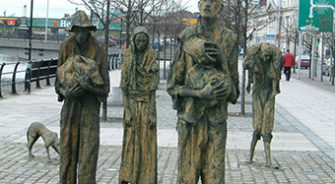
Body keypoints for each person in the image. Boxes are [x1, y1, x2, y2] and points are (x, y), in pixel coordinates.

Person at [167, 0, 239, 183]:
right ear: (199, 5)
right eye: (204, 1)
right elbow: (172, 86)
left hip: (216, 120)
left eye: (213, 1)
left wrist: (222, 61)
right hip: (190, 120)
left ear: (220, 7)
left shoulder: (229, 39)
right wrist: (200, 93)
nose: (207, 4)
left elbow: (234, 93)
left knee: (214, 178)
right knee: (187, 178)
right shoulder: (186, 37)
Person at [54, 10, 110, 184]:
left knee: (88, 157)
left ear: (89, 30)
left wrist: (88, 87)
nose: (80, 34)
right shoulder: (66, 47)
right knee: (67, 155)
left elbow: (105, 89)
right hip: (70, 109)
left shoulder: (98, 49)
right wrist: (65, 92)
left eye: (83, 30)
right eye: (76, 30)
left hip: (89, 110)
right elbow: (57, 82)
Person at [119, 27, 159, 184]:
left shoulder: (151, 57)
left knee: (146, 142)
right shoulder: (128, 56)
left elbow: (153, 91)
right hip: (131, 104)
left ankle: (146, 178)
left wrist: (152, 114)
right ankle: (127, 175)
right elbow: (124, 88)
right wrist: (127, 111)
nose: (141, 44)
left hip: (147, 105)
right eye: (138, 41)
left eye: (144, 41)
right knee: (131, 141)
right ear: (133, 40)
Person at [243, 43, 281, 168]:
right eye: (264, 56)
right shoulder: (254, 57)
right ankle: (250, 157)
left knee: (267, 125)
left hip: (269, 93)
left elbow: (275, 77)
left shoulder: (274, 61)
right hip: (258, 92)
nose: (266, 58)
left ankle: (268, 160)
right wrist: (249, 80)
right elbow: (246, 67)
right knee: (257, 125)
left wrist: (274, 91)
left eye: (267, 56)